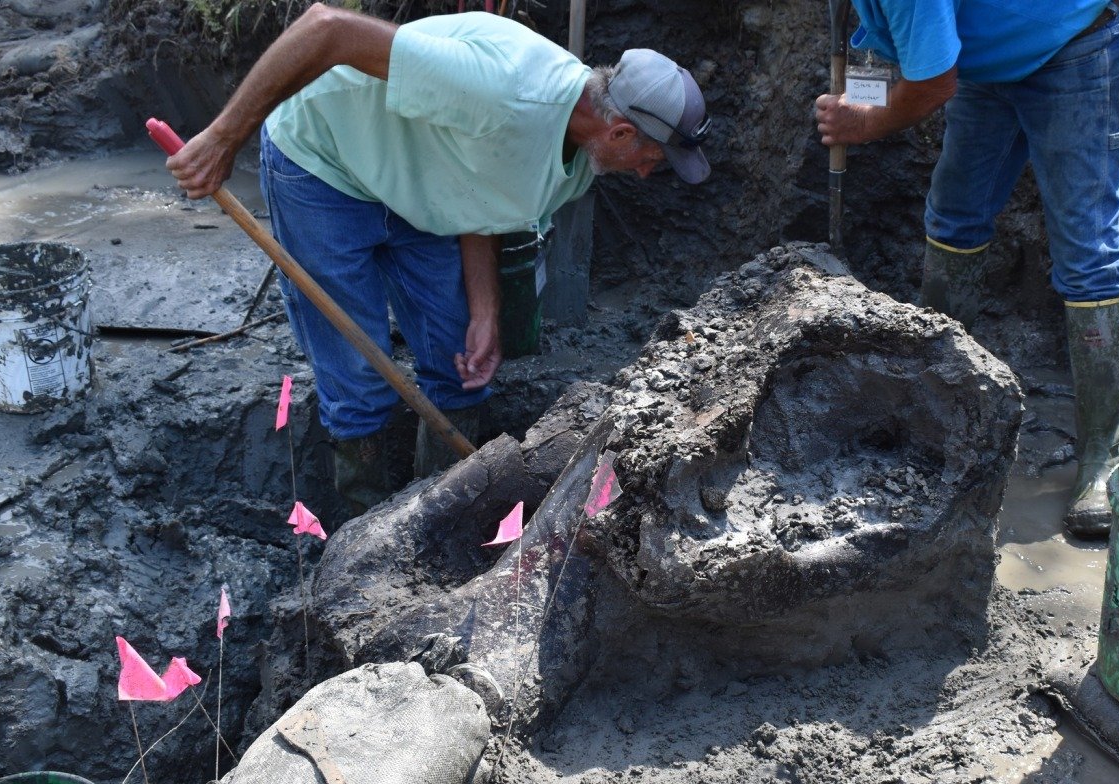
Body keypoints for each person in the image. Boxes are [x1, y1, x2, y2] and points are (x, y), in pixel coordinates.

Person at [165, 3, 712, 515]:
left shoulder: (575, 153)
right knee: (358, 376)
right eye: (651, 157)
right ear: (619, 130)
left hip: (420, 183)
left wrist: (484, 312)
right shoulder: (501, 90)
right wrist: (222, 138)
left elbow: (483, 195)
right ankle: (363, 539)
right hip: (326, 164)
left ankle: (437, 520)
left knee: (461, 365)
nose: (646, 172)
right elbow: (326, 27)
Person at [815, 0, 1119, 539]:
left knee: (1087, 248)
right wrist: (864, 96)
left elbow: (933, 84)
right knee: (954, 217)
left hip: (1083, 41)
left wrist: (866, 124)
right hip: (992, 58)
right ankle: (938, 400)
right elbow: (883, 38)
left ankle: (1102, 458)